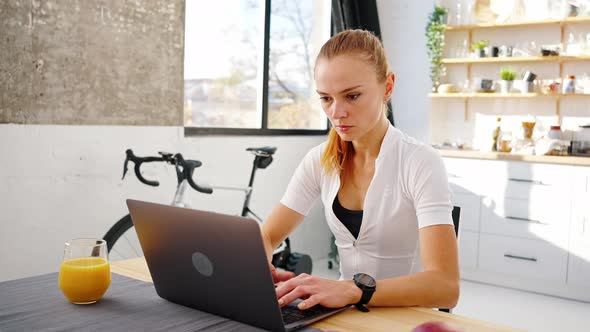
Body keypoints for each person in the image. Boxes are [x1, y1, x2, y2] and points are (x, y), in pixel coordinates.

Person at [261, 29, 459, 311]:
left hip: (405, 318)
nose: (336, 112)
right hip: (345, 314)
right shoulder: (319, 160)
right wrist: (258, 264)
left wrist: (352, 290)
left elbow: (445, 287)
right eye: (326, 98)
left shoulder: (420, 162)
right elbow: (268, 236)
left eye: (352, 96)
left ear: (387, 87)